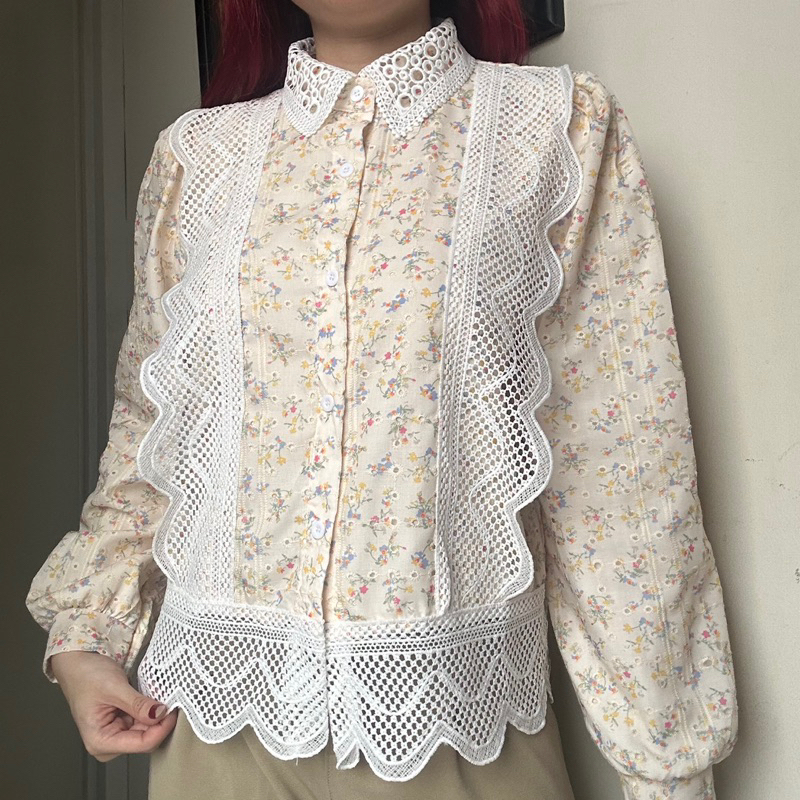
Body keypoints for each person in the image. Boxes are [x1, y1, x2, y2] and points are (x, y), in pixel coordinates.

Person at [25, 1, 739, 798]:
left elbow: (620, 466)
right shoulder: (197, 156)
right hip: (214, 729)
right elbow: (153, 428)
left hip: (462, 728)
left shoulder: (555, 126)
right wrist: (85, 639)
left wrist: (665, 764)